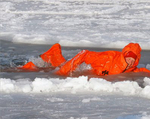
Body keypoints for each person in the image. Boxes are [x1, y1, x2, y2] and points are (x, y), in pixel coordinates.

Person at [21, 43, 150, 76]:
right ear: (124, 55)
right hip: (84, 62)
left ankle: (53, 55)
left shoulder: (131, 69)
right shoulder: (109, 58)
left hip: (90, 70)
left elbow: (142, 72)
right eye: (129, 57)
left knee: (61, 67)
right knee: (59, 70)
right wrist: (60, 74)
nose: (131, 61)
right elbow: (84, 54)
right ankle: (30, 68)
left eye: (134, 59)